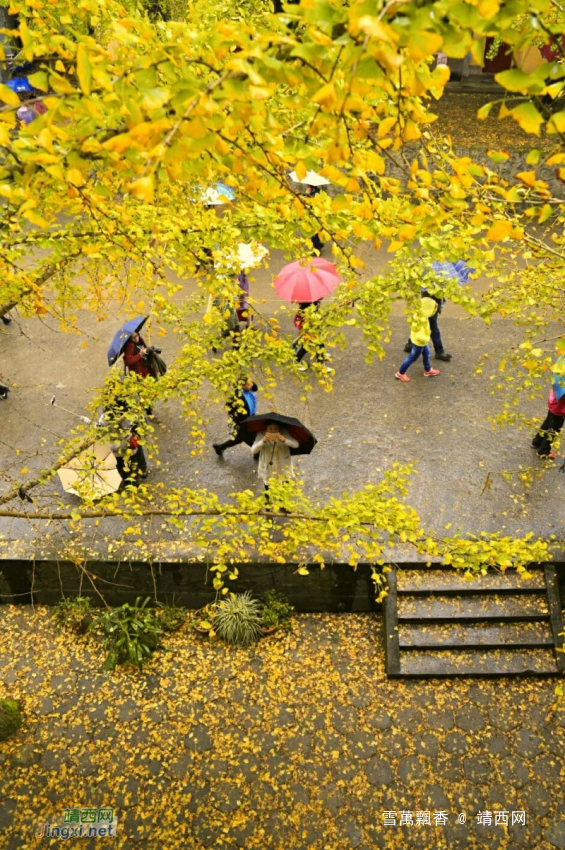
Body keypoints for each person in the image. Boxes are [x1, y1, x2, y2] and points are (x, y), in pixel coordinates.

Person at [395, 297, 441, 382]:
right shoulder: (421, 320)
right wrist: (427, 337)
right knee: (412, 358)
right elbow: (420, 336)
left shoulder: (420, 314)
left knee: (427, 354)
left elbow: (430, 312)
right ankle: (400, 373)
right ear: (427, 309)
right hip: (419, 344)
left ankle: (428, 370)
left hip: (420, 342)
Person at [213, 378, 258, 457]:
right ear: (241, 386)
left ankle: (220, 447)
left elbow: (255, 388)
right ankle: (257, 452)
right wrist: (239, 418)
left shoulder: (248, 391)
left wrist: (249, 381)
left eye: (251, 383)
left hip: (250, 418)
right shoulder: (236, 396)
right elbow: (229, 407)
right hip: (242, 421)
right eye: (248, 384)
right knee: (248, 437)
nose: (251, 385)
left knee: (238, 439)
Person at [251, 421, 299, 495]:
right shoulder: (261, 435)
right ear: (266, 429)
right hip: (267, 465)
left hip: (282, 464)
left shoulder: (284, 434)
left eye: (275, 429)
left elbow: (296, 445)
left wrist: (285, 440)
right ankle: (268, 503)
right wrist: (262, 441)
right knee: (268, 486)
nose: (273, 431)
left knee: (284, 486)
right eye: (270, 429)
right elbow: (253, 450)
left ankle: (282, 503)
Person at [403, 290, 451, 362]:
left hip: (429, 303)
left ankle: (410, 344)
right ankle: (439, 351)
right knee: (431, 327)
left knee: (421, 324)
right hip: (430, 303)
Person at [293, 301, 330, 372]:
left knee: (319, 344)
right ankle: (320, 365)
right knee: (308, 347)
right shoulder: (309, 311)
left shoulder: (303, 309)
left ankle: (321, 360)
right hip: (310, 332)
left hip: (311, 331)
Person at [531, 387, 565, 458]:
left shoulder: (560, 378)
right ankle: (543, 450)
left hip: (553, 403)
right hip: (559, 408)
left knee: (547, 423)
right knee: (553, 430)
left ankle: (537, 441)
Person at [303, 185, 324, 254]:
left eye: (307, 187)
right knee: (315, 234)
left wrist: (306, 194)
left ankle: (317, 250)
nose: (306, 188)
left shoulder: (314, 195)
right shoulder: (317, 192)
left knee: (314, 235)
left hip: (314, 217)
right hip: (315, 216)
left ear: (312, 188)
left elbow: (307, 203)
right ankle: (319, 245)